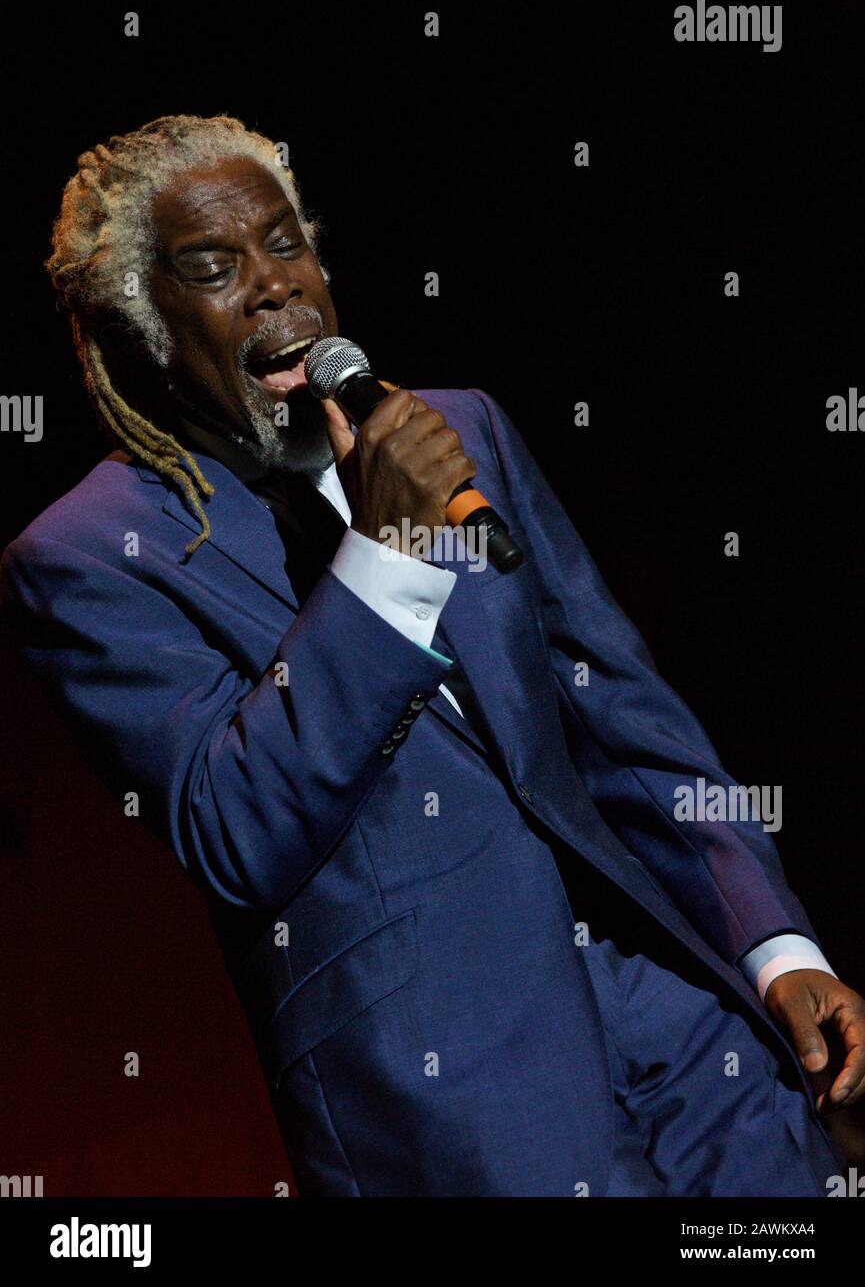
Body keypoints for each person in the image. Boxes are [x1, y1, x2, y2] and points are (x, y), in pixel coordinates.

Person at [2, 114, 862, 1196]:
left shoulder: (460, 432)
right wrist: (386, 555)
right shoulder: (91, 557)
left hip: (693, 1035)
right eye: (213, 267)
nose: (274, 287)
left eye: (285, 243)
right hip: (460, 1115)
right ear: (140, 324)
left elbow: (630, 726)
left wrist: (775, 948)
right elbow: (235, 825)